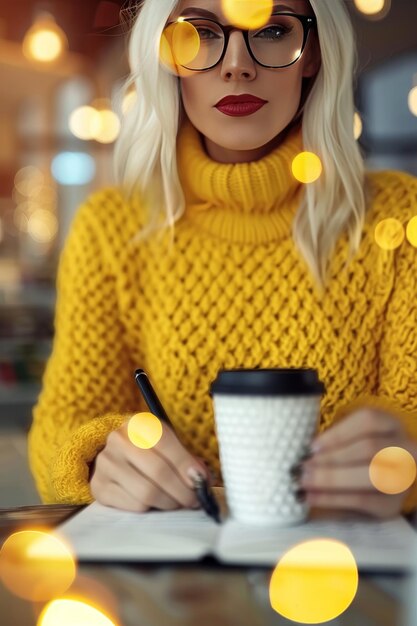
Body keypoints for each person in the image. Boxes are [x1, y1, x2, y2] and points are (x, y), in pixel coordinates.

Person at [28, 0, 417, 518]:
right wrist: (98, 459)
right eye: (201, 33)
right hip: (172, 587)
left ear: (315, 53)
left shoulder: (398, 220)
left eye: (274, 29)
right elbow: (63, 426)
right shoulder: (114, 230)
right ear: (166, 54)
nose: (237, 64)